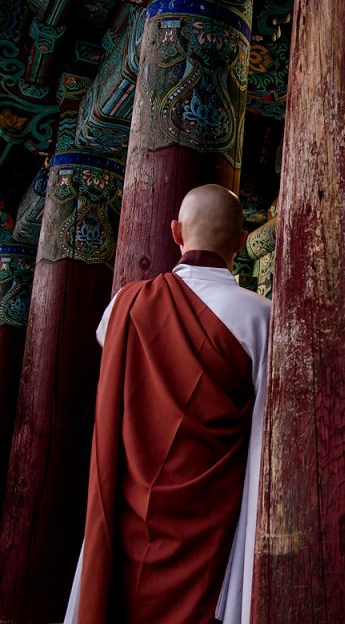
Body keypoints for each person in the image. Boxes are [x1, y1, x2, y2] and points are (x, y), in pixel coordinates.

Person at [64, 185, 271, 624]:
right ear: (240, 241)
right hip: (209, 532)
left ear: (176, 232)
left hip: (129, 516)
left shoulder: (125, 305)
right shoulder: (261, 316)